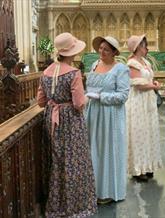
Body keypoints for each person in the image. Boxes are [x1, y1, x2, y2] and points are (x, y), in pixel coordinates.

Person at [37, 32, 97, 217]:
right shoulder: (73, 73)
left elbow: (41, 101)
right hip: (71, 120)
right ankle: (76, 206)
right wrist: (88, 97)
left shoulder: (46, 72)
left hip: (52, 119)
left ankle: (56, 204)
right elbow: (79, 103)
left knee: (57, 160)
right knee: (74, 160)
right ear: (71, 52)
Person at [85, 36, 130, 203]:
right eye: (100, 48)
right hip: (93, 114)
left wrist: (101, 96)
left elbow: (123, 96)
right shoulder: (94, 65)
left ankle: (108, 192)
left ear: (114, 52)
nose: (101, 51)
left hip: (110, 116)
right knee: (93, 150)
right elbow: (88, 88)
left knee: (108, 151)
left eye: (106, 49)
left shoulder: (121, 69)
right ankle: (93, 190)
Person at [126, 34, 163, 182]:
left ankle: (148, 166)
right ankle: (137, 168)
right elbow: (138, 84)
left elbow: (147, 79)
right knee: (139, 133)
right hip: (138, 101)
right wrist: (153, 86)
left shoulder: (145, 62)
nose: (146, 47)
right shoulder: (132, 63)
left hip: (148, 100)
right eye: (144, 45)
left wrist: (154, 83)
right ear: (137, 48)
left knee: (149, 132)